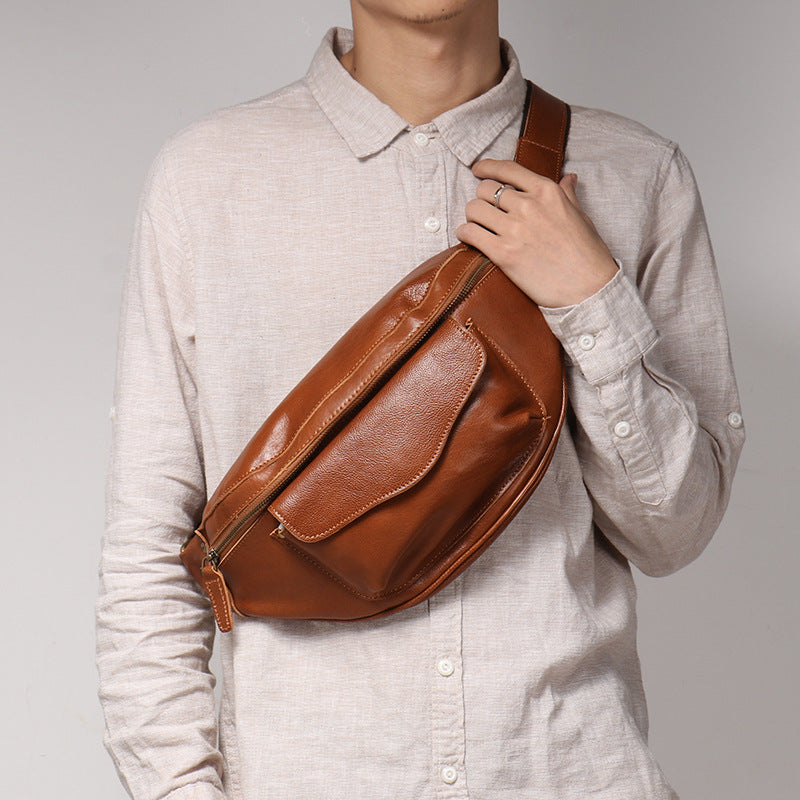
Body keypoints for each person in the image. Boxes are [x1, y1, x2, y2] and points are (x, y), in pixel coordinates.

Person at [96, 2, 745, 798]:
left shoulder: (640, 174)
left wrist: (592, 297)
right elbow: (148, 556)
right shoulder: (208, 179)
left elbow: (674, 533)